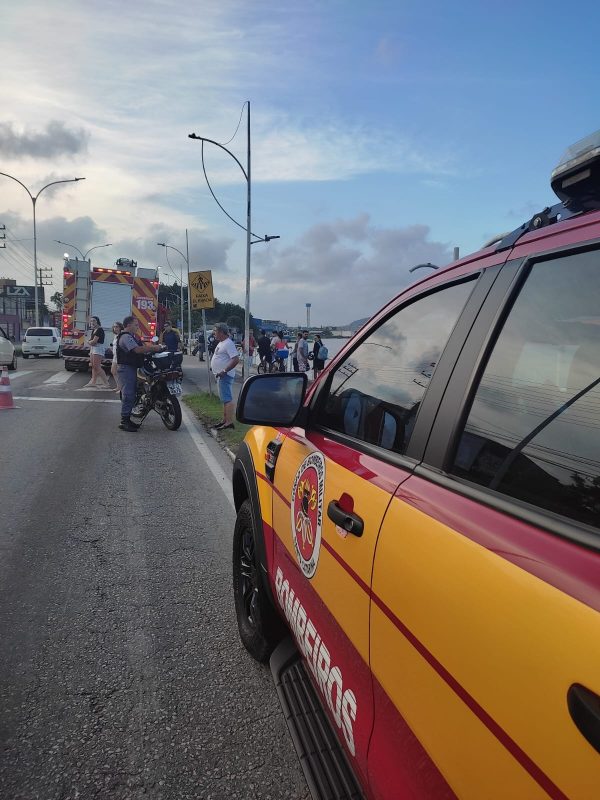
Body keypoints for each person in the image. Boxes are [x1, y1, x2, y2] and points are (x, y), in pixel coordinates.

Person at [116, 315, 163, 432]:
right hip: (126, 368)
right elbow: (137, 350)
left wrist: (150, 348)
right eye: (135, 325)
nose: (137, 327)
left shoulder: (132, 336)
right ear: (128, 325)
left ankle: (128, 419)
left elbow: (142, 347)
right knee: (129, 394)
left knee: (135, 391)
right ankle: (124, 421)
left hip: (132, 367)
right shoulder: (126, 337)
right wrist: (155, 348)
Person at [210, 322, 240, 430]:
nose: (214, 333)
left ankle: (229, 422)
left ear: (222, 332)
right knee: (224, 399)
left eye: (215, 331)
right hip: (220, 375)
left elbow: (236, 359)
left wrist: (224, 370)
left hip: (224, 375)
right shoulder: (221, 343)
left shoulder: (228, 343)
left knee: (227, 399)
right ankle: (225, 420)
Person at [84, 316, 110, 388]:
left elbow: (94, 342)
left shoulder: (99, 330)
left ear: (97, 321)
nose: (92, 322)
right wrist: (90, 342)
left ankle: (106, 383)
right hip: (93, 349)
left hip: (98, 349)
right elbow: (91, 341)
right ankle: (93, 382)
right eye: (91, 321)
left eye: (94, 321)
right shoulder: (94, 330)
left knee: (97, 366)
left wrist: (89, 342)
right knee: (93, 366)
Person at [110, 321, 123, 392]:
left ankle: (121, 388)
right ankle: (118, 387)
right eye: (114, 327)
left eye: (117, 327)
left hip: (119, 356)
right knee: (113, 371)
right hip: (115, 356)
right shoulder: (116, 336)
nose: (115, 328)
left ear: (120, 327)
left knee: (118, 372)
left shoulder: (121, 335)